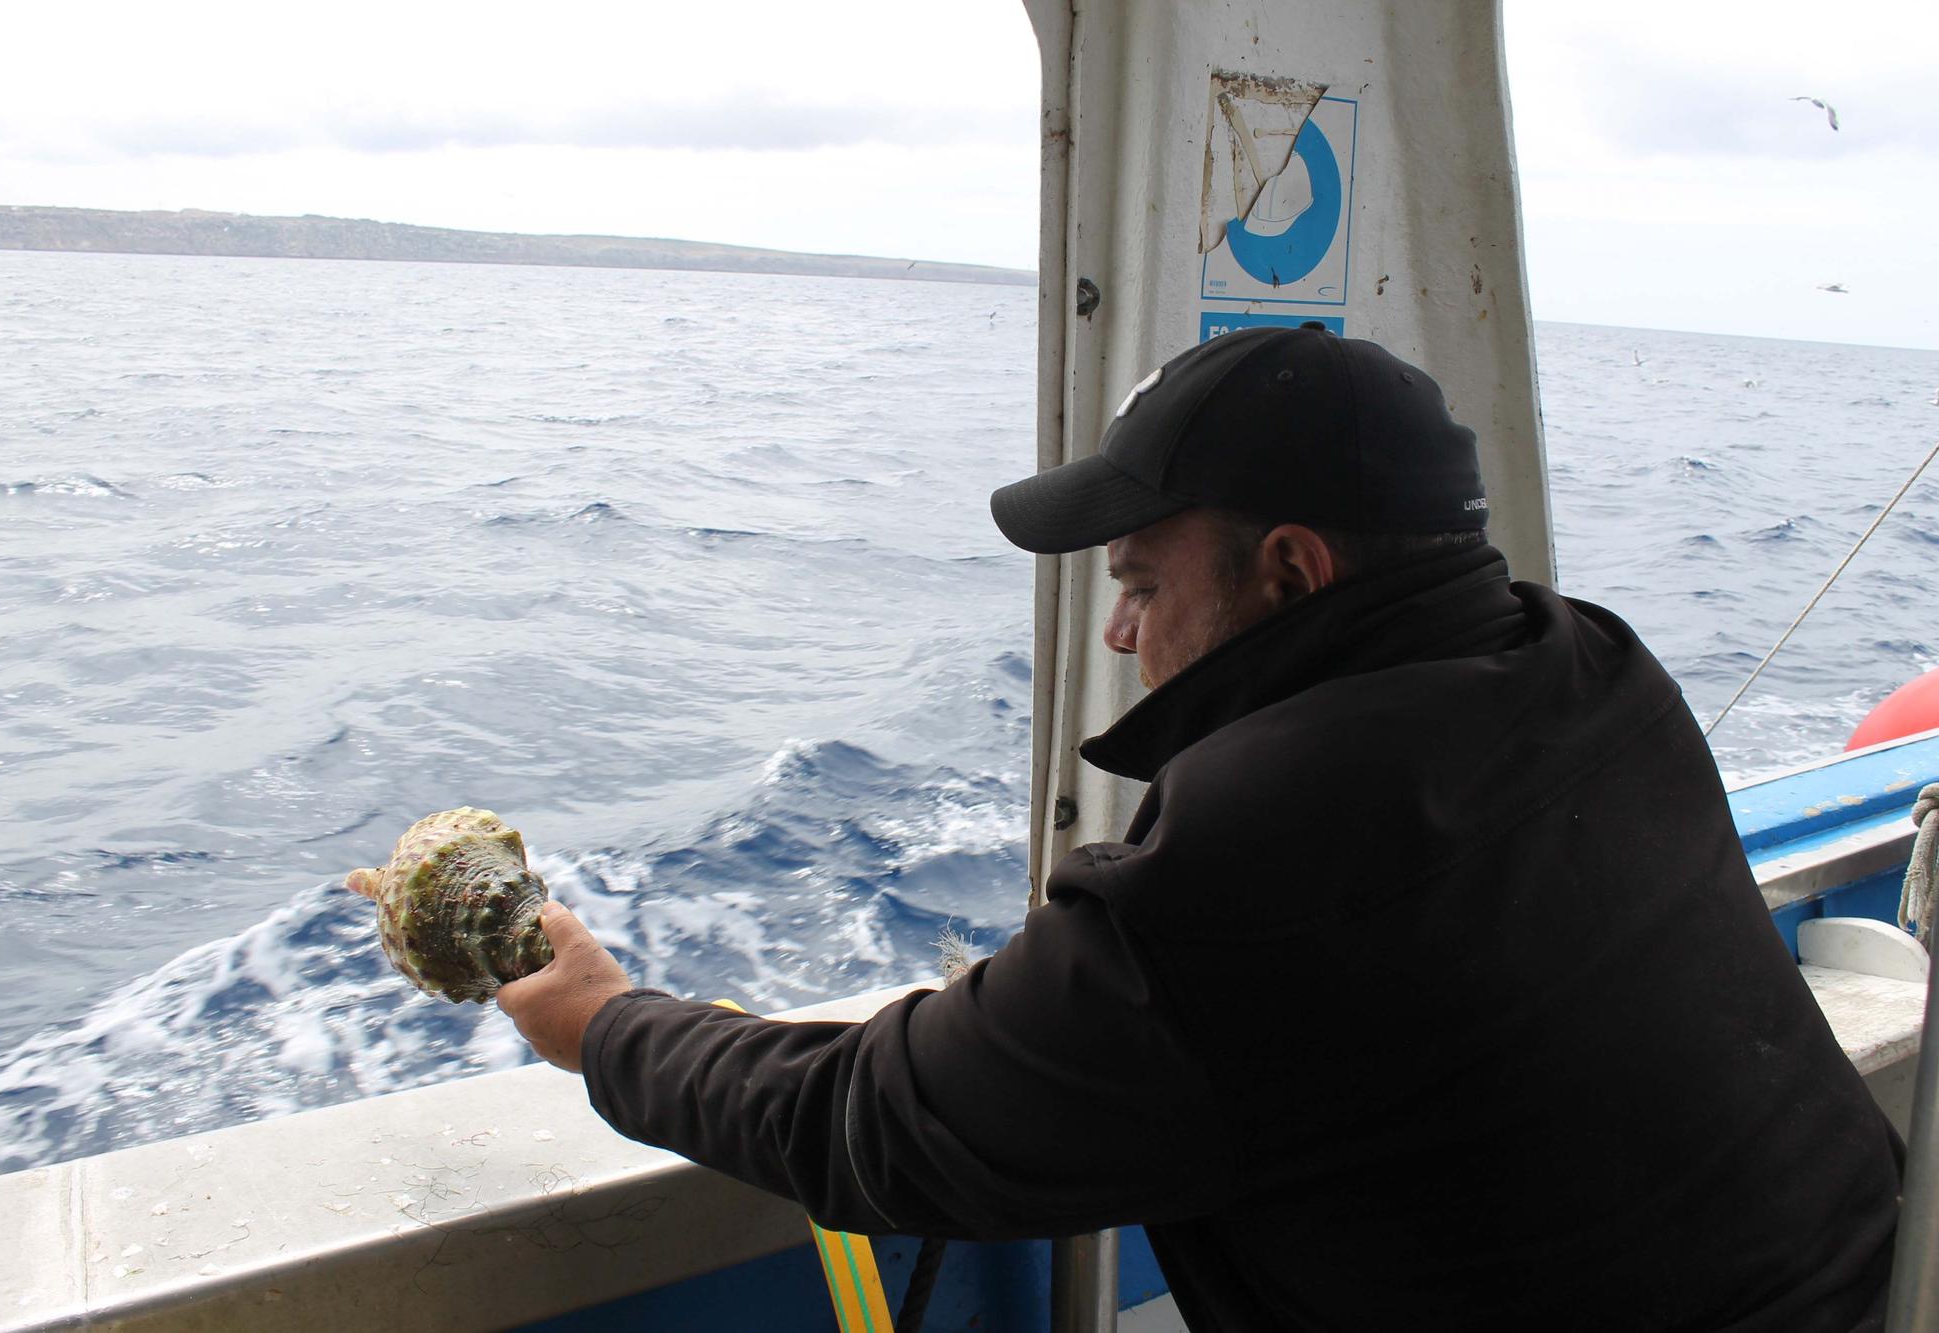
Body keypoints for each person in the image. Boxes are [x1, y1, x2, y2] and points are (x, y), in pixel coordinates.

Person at [497, 326, 1903, 1331]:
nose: (1118, 628)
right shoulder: (1595, 665)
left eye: (1141, 579)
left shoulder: (1262, 856)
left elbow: (880, 1122)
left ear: (1291, 569)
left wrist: (605, 1022)